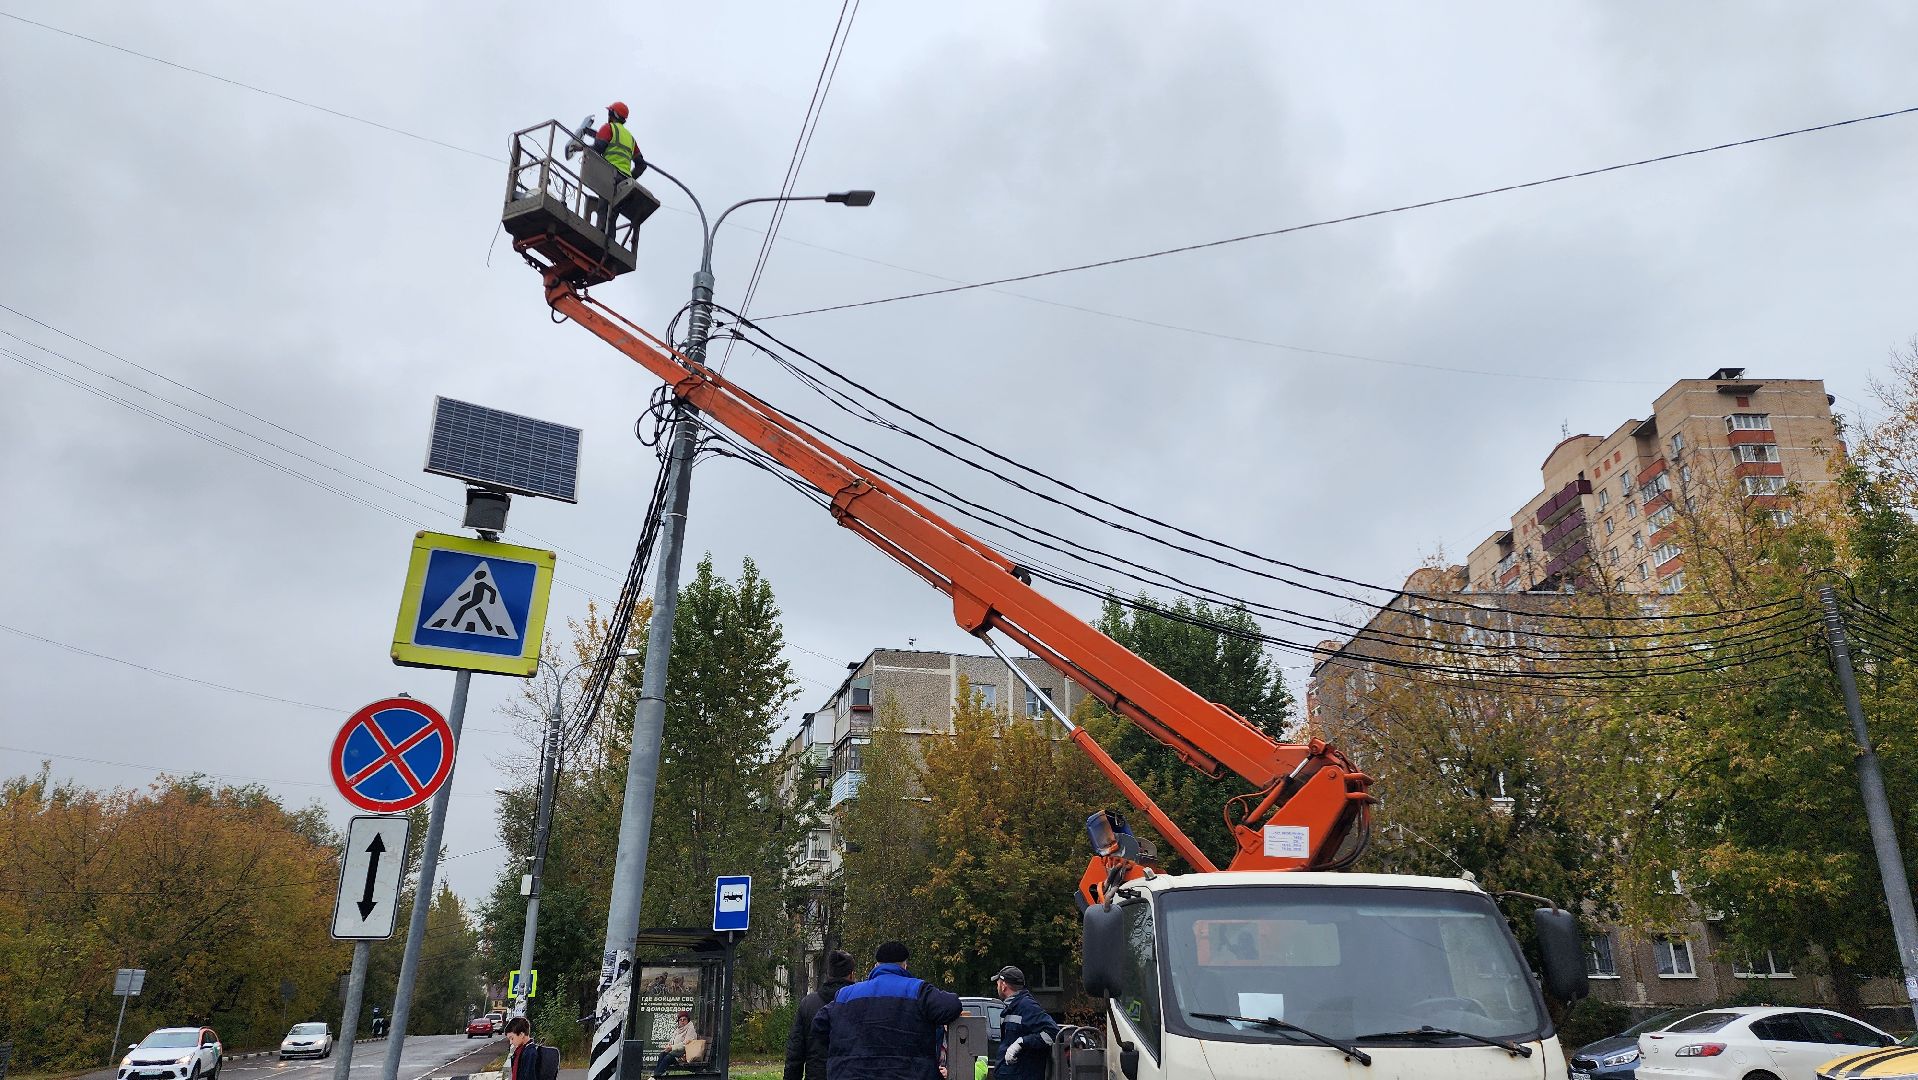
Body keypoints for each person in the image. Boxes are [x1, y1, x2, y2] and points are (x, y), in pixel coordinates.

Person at [814, 941, 961, 1080]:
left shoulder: (845, 995)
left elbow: (819, 1025)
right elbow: (952, 1005)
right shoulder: (918, 991)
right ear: (904, 966)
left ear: (876, 965)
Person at [784, 950, 856, 1080]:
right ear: (851, 975)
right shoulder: (859, 1002)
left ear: (829, 974)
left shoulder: (808, 1003)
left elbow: (795, 1053)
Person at [989, 966, 1058, 1080]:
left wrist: (1021, 1042)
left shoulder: (1027, 1006)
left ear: (1003, 985)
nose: (997, 986)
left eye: (998, 983)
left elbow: (1053, 1033)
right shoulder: (1012, 1007)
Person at [588, 101, 644, 178]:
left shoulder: (608, 128)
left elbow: (598, 148)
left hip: (609, 173)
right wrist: (629, 180)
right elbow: (642, 165)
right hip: (625, 180)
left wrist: (582, 147)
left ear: (612, 114)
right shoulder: (631, 139)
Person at [652, 1011, 698, 1077]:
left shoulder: (690, 1029)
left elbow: (685, 1044)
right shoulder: (678, 1029)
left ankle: (656, 1076)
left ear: (688, 1020)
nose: (682, 1021)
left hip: (684, 1055)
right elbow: (672, 1040)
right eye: (680, 1020)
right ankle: (656, 1074)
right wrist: (668, 1045)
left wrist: (672, 1048)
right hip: (676, 1053)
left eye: (684, 1019)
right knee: (662, 1055)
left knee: (668, 1057)